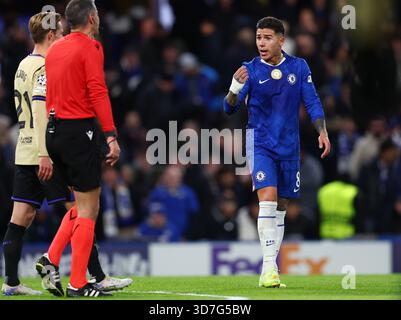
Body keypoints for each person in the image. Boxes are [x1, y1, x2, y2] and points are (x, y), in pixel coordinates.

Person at [223, 17, 331, 288]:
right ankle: (270, 267)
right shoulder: (249, 70)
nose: (261, 42)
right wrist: (234, 90)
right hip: (259, 144)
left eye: (267, 37)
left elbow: (312, 101)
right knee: (268, 200)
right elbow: (229, 108)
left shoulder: (299, 66)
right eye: (258, 37)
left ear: (281, 40)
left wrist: (322, 130)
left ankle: (269, 266)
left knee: (281, 207)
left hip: (289, 148)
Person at [39, 0, 121, 298]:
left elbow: (50, 94)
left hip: (54, 131)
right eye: (97, 13)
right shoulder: (91, 47)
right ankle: (78, 282)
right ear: (91, 17)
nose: (98, 18)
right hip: (78, 131)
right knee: (89, 208)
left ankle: (50, 258)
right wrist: (110, 134)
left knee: (79, 206)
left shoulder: (55, 48)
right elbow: (97, 90)